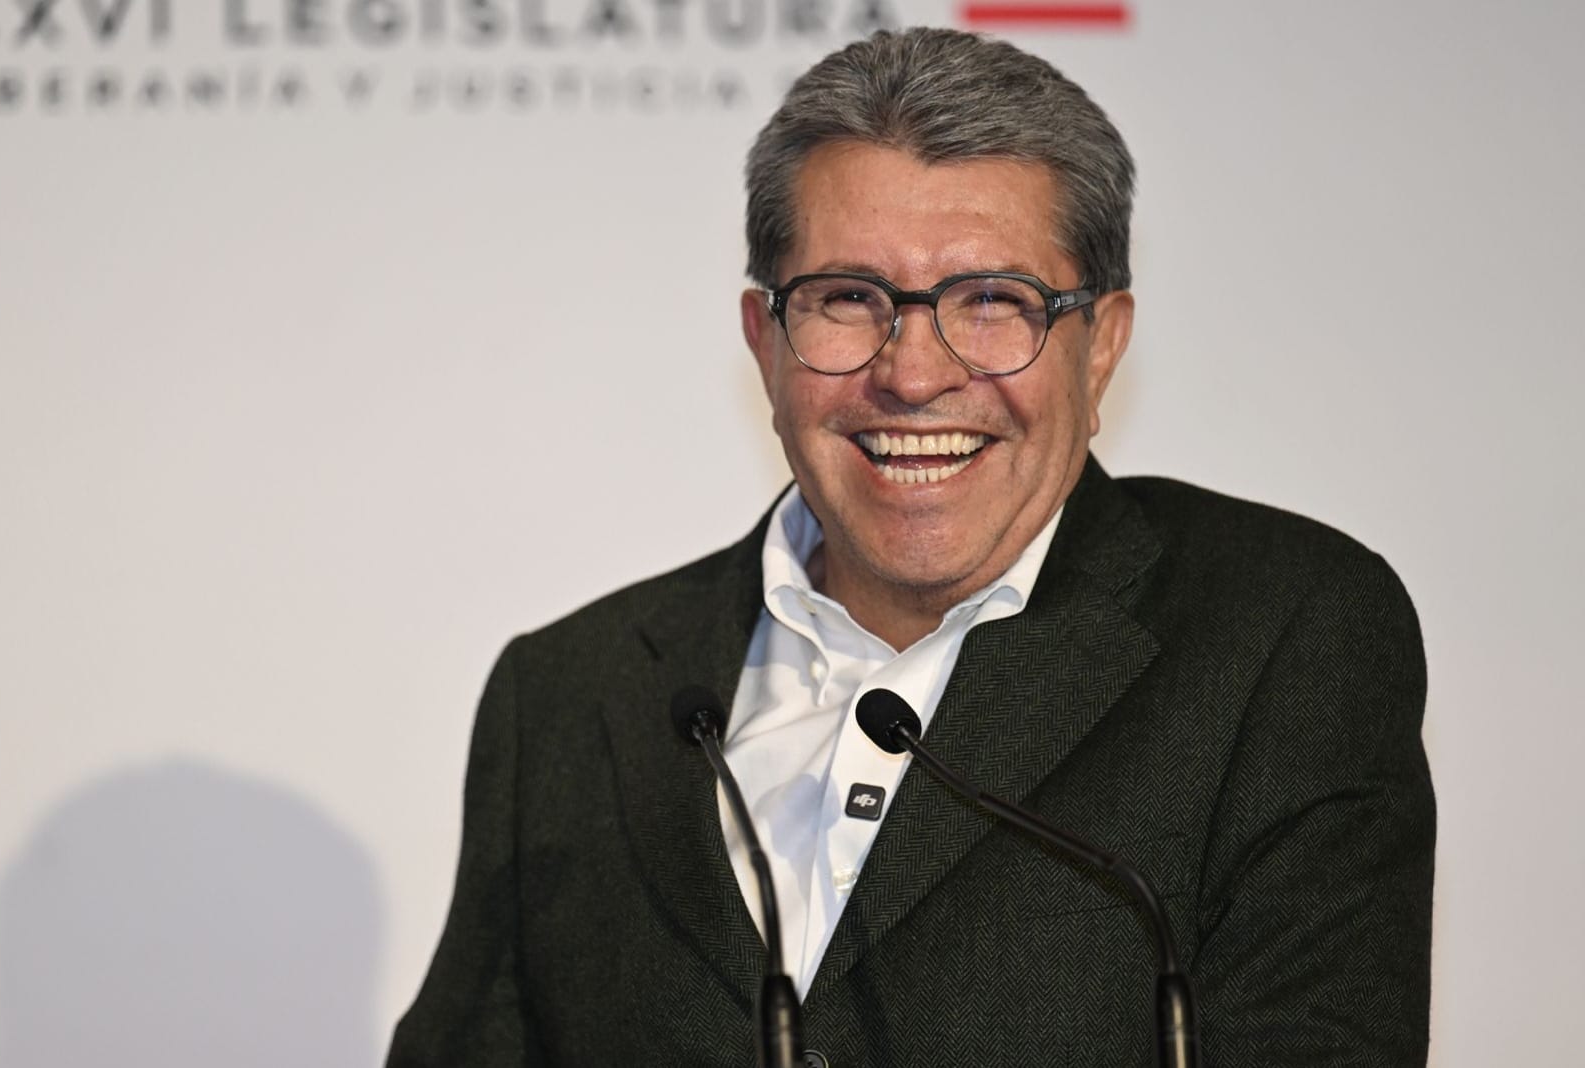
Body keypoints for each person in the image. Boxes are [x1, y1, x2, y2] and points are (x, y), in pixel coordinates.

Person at [386, 27, 1434, 1067]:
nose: (914, 373)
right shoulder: (571, 693)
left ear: (1101, 347)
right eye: (850, 300)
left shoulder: (1281, 635)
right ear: (764, 341)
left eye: (993, 302)